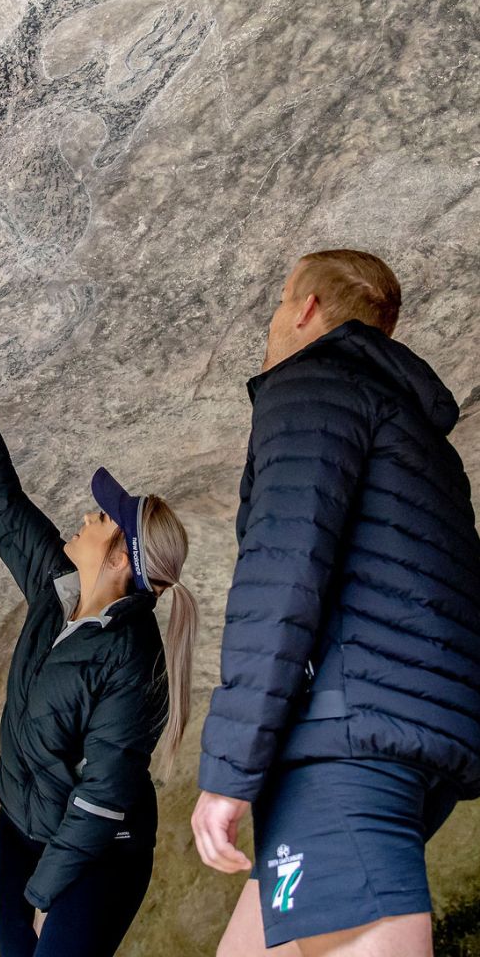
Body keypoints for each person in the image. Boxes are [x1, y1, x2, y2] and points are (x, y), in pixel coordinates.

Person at [192, 249, 480, 956]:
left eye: (278, 300)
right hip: (415, 739)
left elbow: (280, 577)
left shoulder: (311, 387)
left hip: (347, 742)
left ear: (307, 307)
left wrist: (228, 772)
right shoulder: (422, 441)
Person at [0, 320, 199, 957]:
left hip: (99, 848)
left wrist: (46, 896)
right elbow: (4, 506)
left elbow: (102, 798)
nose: (89, 515)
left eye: (104, 519)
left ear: (121, 559)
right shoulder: (58, 588)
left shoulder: (132, 660)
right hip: (25, 823)